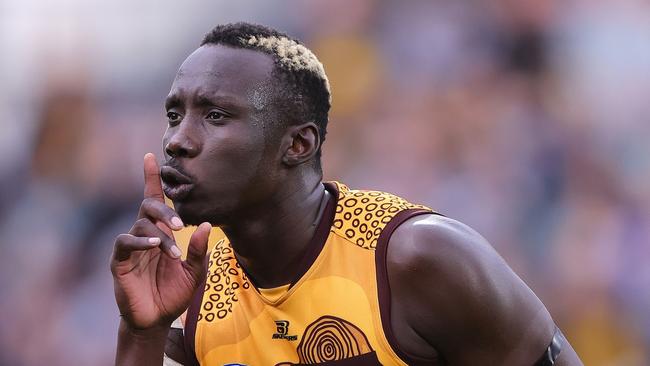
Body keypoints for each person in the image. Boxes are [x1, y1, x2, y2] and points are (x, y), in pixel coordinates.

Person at [110, 22, 583, 366]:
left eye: (215, 116)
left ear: (297, 144)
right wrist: (141, 332)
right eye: (175, 115)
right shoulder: (189, 276)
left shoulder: (416, 258)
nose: (177, 140)